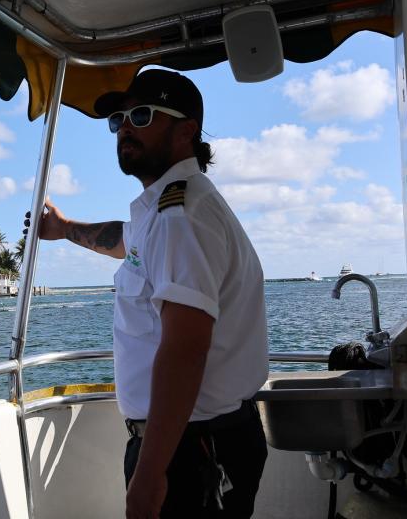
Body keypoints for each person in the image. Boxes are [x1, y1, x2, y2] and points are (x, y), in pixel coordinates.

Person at [27, 69, 268, 518]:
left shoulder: (182, 218)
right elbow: (128, 241)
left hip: (192, 448)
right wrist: (63, 230)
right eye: (118, 120)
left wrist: (151, 472)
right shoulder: (165, 210)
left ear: (186, 131)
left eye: (141, 115)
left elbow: (185, 349)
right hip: (197, 439)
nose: (125, 129)